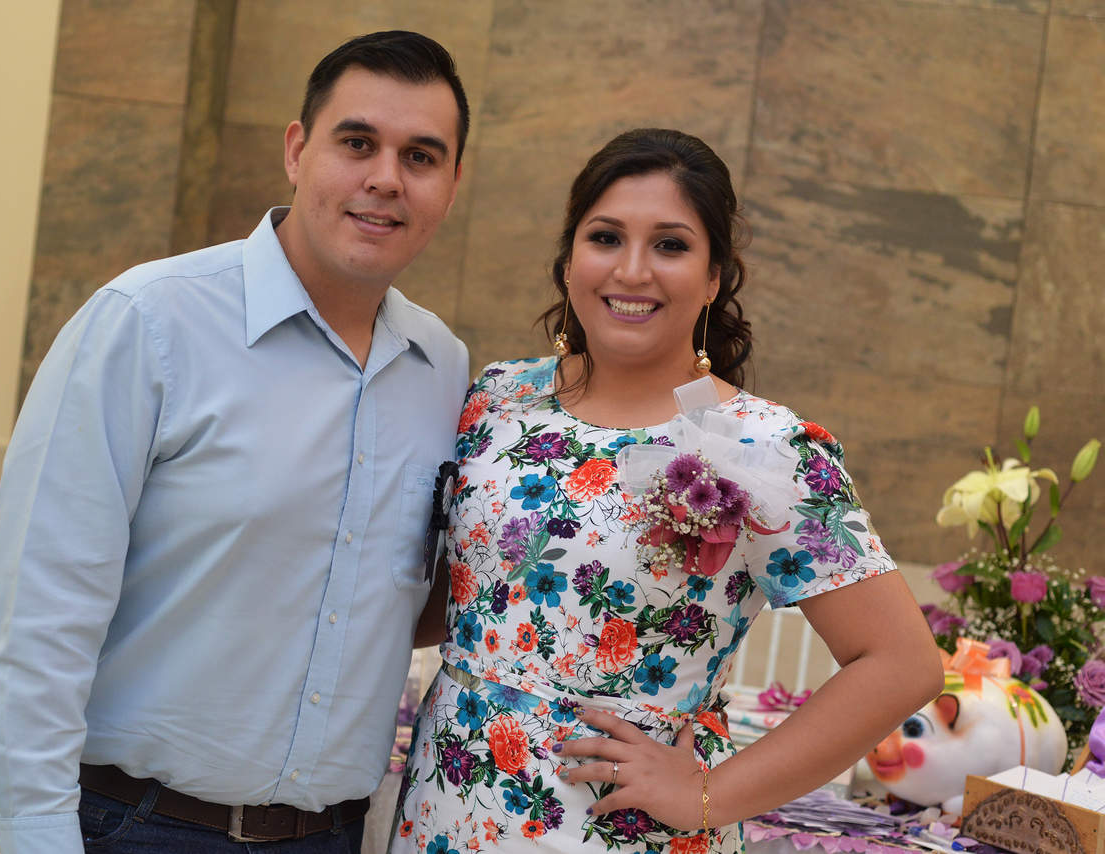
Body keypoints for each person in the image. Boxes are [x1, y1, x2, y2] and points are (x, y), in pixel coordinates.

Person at [0, 31, 472, 854]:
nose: (386, 178)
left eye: (420, 156)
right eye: (357, 143)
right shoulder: (148, 324)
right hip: (136, 827)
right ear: (297, 150)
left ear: (452, 186)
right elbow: (39, 614)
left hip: (331, 834)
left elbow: (405, 598)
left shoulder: (443, 368)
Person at [388, 128, 943, 854]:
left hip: (623, 833)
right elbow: (459, 599)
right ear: (569, 260)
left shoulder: (763, 446)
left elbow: (902, 664)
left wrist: (706, 795)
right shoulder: (497, 399)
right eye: (606, 237)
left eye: (671, 245)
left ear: (714, 277)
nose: (632, 270)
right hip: (443, 814)